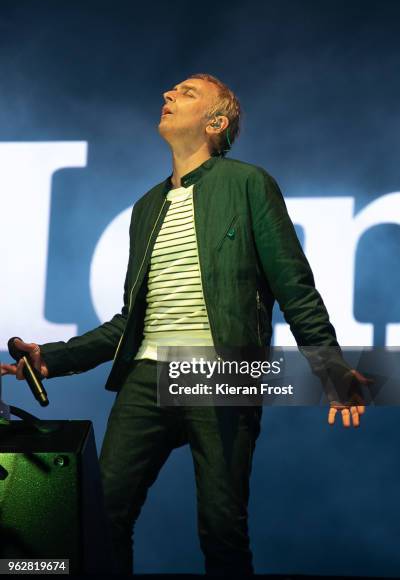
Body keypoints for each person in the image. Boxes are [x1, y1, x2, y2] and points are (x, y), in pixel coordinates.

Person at [1, 73, 369, 575]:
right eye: (171, 91)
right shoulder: (146, 207)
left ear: (216, 122)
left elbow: (294, 287)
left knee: (221, 528)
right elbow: (128, 323)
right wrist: (51, 357)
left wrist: (331, 372)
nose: (167, 96)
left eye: (186, 93)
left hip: (221, 373)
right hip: (147, 374)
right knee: (103, 516)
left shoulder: (248, 184)